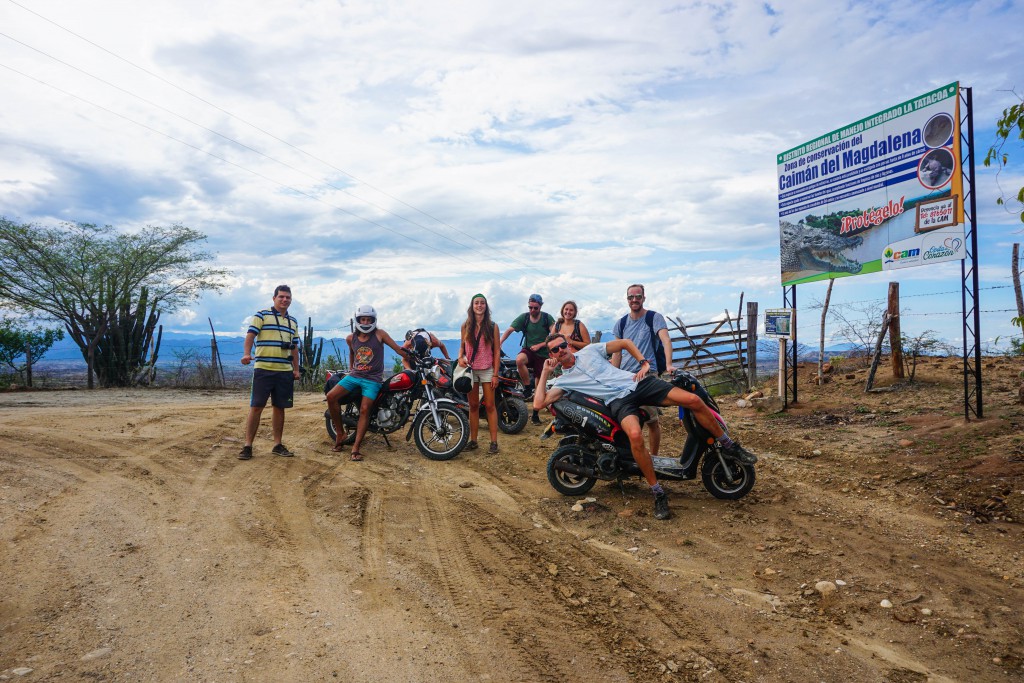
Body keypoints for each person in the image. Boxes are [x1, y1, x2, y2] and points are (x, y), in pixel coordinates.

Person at [533, 333, 756, 520]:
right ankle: (658, 492)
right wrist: (545, 373)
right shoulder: (563, 380)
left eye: (562, 345)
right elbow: (538, 403)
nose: (561, 350)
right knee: (635, 436)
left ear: (568, 345)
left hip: (638, 383)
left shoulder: (590, 351)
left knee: (694, 401)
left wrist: (643, 362)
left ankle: (729, 445)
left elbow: (624, 343)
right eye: (554, 350)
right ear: (551, 356)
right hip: (619, 402)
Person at [325, 304, 407, 461]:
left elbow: (397, 349)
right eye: (362, 319)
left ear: (374, 320)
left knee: (364, 409)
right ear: (357, 320)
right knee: (331, 396)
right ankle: (341, 433)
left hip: (373, 379)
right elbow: (352, 352)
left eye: (369, 319)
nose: (365, 322)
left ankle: (356, 447)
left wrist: (410, 353)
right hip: (354, 376)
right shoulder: (351, 338)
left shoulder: (380, 334)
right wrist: (351, 369)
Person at [611, 284, 675, 463]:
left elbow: (665, 339)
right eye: (631, 297)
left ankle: (653, 459)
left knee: (652, 420)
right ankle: (628, 458)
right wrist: (613, 376)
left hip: (648, 377)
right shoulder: (621, 323)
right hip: (625, 378)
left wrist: (669, 364)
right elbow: (617, 353)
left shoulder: (654, 318)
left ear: (643, 298)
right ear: (627, 300)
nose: (634, 300)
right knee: (624, 420)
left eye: (637, 296)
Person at [238, 285, 301, 460]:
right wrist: (246, 353)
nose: (284, 300)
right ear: (274, 298)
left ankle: (277, 444)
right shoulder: (262, 315)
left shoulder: (293, 321)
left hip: (284, 371)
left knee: (280, 408)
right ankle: (247, 446)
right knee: (256, 406)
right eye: (281, 297)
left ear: (291, 300)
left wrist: (296, 369)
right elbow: (250, 335)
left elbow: (295, 347)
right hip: (263, 369)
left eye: (288, 297)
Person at [499, 293, 556, 424]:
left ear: (540, 307)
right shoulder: (524, 318)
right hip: (528, 350)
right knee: (519, 360)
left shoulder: (547, 318)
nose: (532, 310)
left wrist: (541, 345)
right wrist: (500, 342)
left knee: (539, 385)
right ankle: (526, 387)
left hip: (543, 353)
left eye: (535, 308)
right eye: (530, 307)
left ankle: (535, 414)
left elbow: (554, 335)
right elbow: (510, 329)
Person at [458, 293, 501, 454]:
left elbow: (496, 351)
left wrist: (496, 374)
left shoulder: (492, 326)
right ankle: (473, 440)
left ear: (486, 306)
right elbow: (462, 348)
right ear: (472, 306)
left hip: (488, 369)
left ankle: (494, 442)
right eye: (476, 303)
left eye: (482, 303)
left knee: (490, 405)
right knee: (473, 406)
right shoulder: (465, 326)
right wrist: (460, 357)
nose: (479, 306)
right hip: (471, 369)